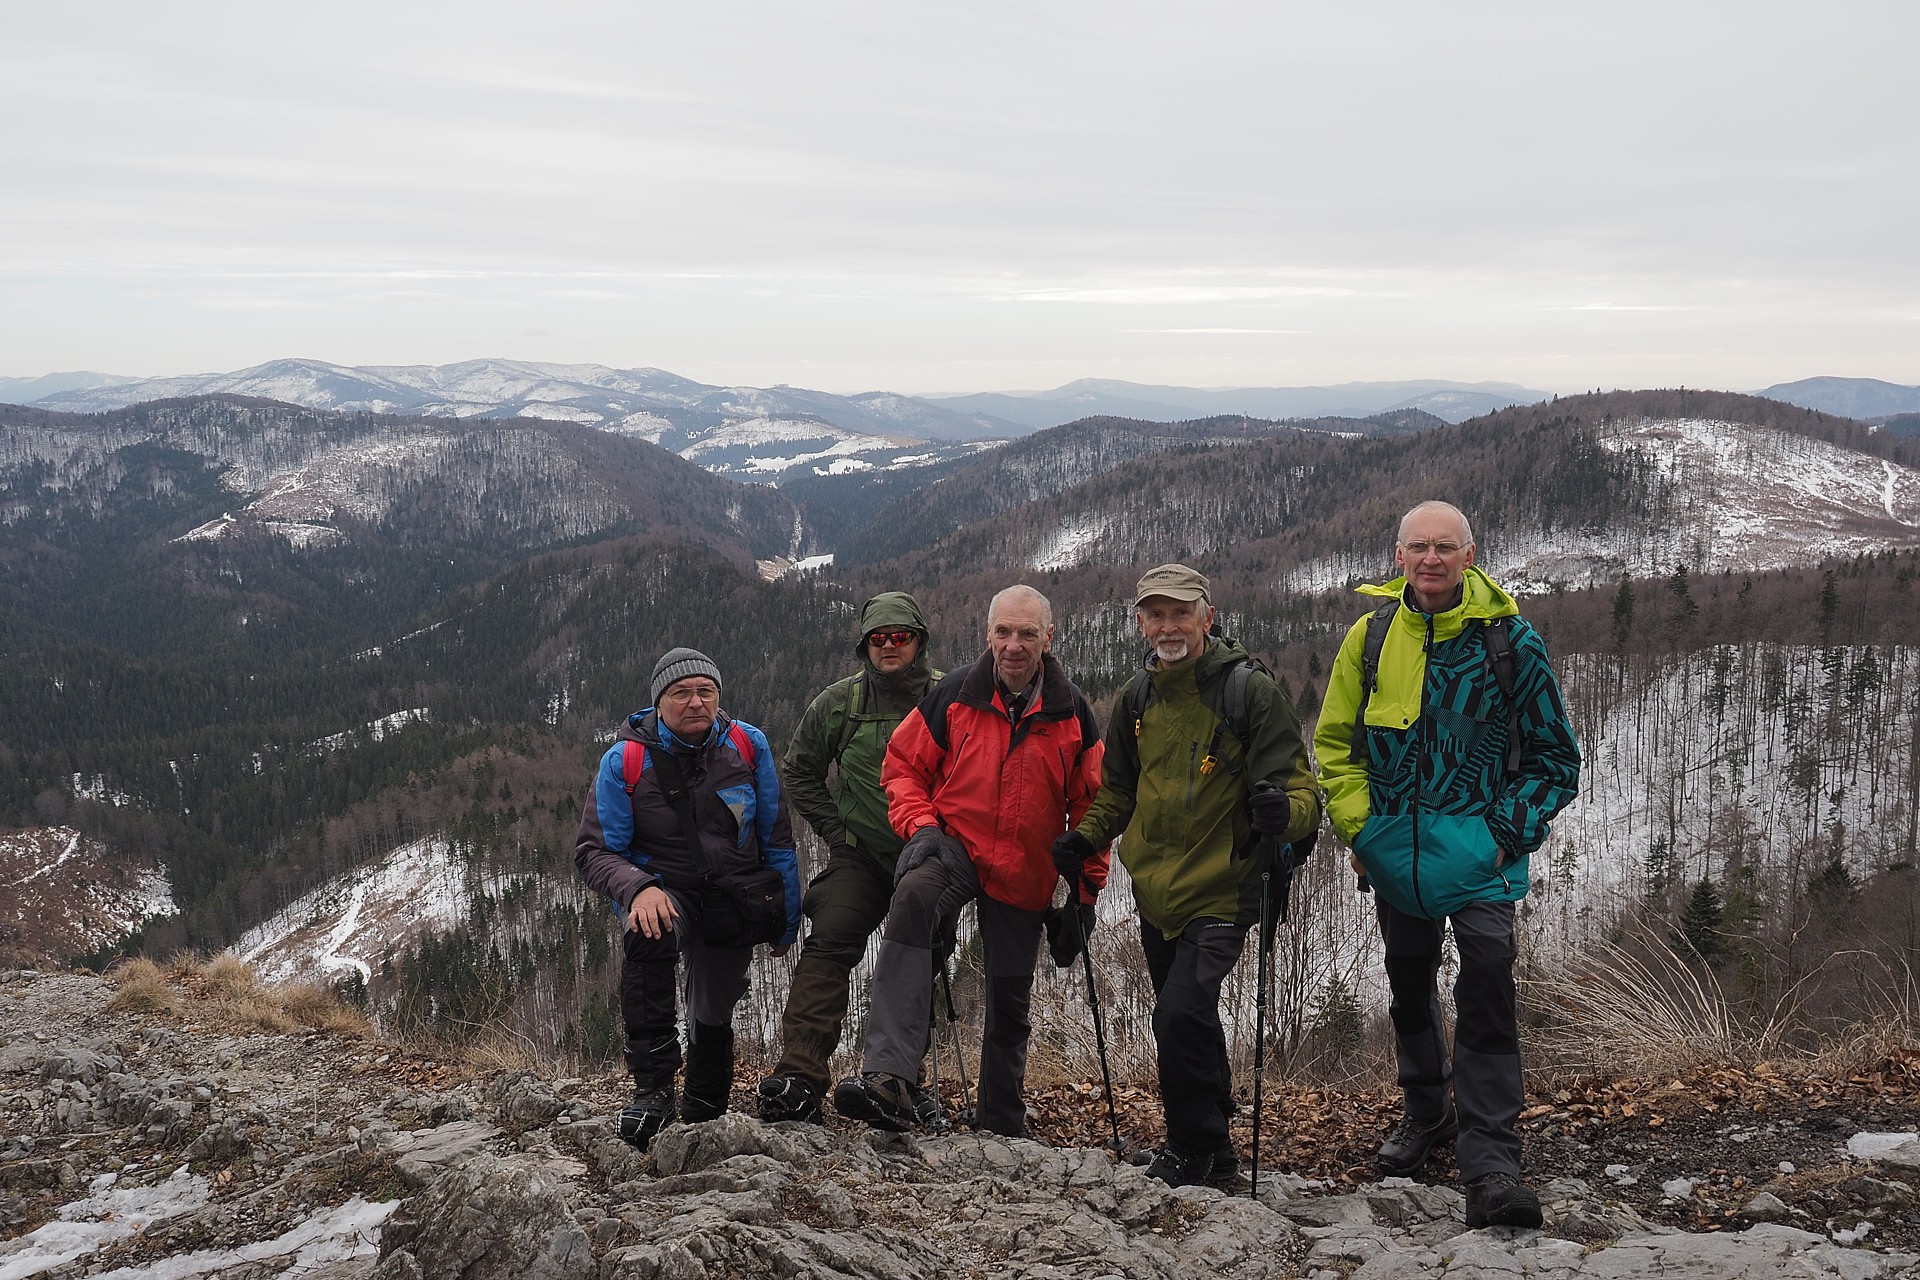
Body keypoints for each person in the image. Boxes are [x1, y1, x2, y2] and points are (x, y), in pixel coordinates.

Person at [1314, 501, 1580, 1229]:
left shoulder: (1510, 643)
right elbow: (1336, 745)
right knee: (1406, 980)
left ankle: (1491, 1159)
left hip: (1479, 854)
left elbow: (1556, 759)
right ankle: (1427, 1112)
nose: (1431, 559)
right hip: (1395, 852)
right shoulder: (1369, 638)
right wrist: (1362, 829)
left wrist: (1503, 834)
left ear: (1471, 554)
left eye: (1445, 547)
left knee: (1488, 980)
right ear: (1397, 556)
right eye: (1418, 547)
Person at [1054, 564, 1321, 1187]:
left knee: (1178, 1014)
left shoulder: (1248, 693)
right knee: (1189, 1018)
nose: (1168, 627)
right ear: (1141, 623)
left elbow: (1303, 792)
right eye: (1156, 615)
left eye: (1181, 613)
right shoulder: (1137, 699)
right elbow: (1118, 790)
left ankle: (1190, 1146)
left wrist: (1285, 815)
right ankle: (1214, 1153)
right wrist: (1087, 837)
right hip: (1156, 890)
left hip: (1223, 887)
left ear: (1207, 617)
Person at [833, 584, 1106, 1136]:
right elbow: (902, 765)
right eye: (1003, 631)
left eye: (1027, 633)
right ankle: (890, 1079)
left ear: (1048, 639)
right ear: (988, 634)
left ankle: (1001, 1118)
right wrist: (922, 828)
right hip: (954, 845)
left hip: (1026, 868)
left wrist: (1083, 898)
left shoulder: (1071, 711)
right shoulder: (955, 694)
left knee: (1009, 997)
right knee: (911, 899)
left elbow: (1093, 807)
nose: (1014, 644)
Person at [575, 646, 801, 1150]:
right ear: (659, 702)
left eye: (705, 691)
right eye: (680, 693)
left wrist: (785, 917)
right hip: (664, 891)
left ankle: (704, 1107)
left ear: (718, 696)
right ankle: (652, 1089)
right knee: (647, 932)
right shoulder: (626, 761)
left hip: (731, 896)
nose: (694, 702)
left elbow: (776, 834)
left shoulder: (747, 745)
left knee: (714, 1005)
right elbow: (593, 851)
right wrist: (639, 887)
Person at [757, 592, 950, 1126]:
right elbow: (800, 772)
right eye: (878, 638)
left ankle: (897, 1080)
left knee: (920, 956)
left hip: (929, 854)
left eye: (900, 636)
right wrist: (837, 833)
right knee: (831, 940)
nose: (889, 646)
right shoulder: (839, 704)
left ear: (919, 641)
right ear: (865, 645)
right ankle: (798, 1075)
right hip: (861, 854)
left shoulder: (950, 699)